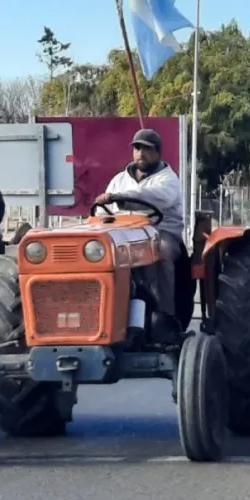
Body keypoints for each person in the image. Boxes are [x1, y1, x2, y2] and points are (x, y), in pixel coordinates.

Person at [94, 129, 184, 341]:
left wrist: (120, 197)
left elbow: (156, 197)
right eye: (137, 148)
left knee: (162, 250)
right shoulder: (119, 179)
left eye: (146, 149)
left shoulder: (168, 180)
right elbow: (101, 212)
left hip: (160, 230)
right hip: (123, 233)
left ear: (158, 152)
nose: (140, 153)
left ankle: (165, 317)